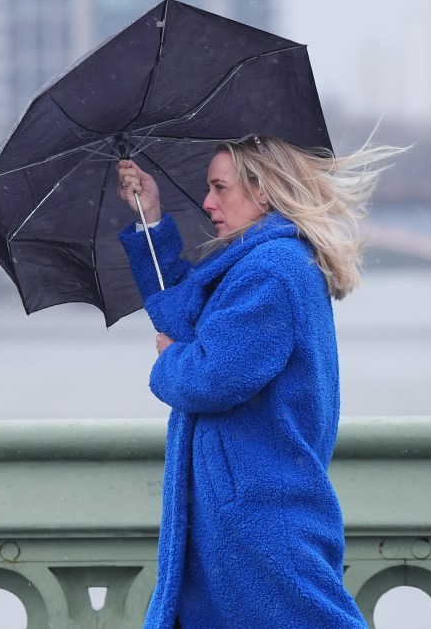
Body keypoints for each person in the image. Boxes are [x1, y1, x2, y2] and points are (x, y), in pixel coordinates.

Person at [116, 134, 401, 629]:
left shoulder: (270, 273)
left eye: (219, 188)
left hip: (259, 518)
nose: (206, 204)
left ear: (263, 191)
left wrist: (168, 360)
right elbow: (188, 319)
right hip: (244, 511)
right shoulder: (261, 266)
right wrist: (150, 217)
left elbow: (210, 377)